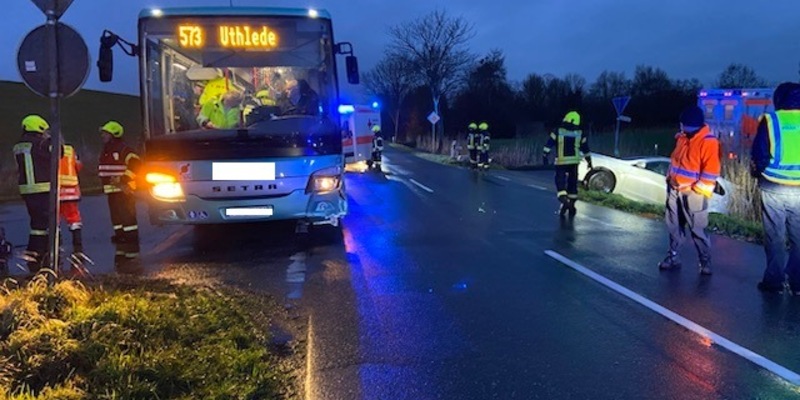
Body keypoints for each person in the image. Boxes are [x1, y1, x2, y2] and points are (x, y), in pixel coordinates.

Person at [658, 106, 720, 275]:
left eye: (684, 124)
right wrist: (671, 181)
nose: (681, 127)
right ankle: (673, 256)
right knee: (674, 227)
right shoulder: (682, 138)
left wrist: (697, 190)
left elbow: (711, 171)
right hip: (675, 189)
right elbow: (676, 162)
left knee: (697, 229)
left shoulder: (708, 141)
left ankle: (705, 261)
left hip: (694, 194)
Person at [751, 82, 800, 294]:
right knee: (798, 237)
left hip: (774, 187)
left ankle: (775, 282)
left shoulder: (772, 121)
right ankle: (798, 283)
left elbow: (759, 154)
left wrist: (757, 172)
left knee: (775, 237)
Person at [13, 115, 53, 272]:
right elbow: (59, 152)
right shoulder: (41, 143)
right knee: (44, 222)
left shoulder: (18, 146)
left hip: (26, 189)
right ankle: (41, 252)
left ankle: (36, 250)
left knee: (36, 222)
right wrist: (51, 138)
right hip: (42, 188)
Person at [98, 121, 141, 265]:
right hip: (111, 190)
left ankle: (131, 238)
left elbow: (136, 164)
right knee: (116, 215)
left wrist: (123, 178)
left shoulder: (124, 149)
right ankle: (120, 235)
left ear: (113, 134)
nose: (102, 136)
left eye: (105, 133)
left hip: (124, 189)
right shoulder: (106, 149)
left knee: (127, 214)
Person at [542, 111, 592, 217]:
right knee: (572, 182)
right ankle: (571, 204)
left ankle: (563, 198)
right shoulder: (580, 133)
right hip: (574, 162)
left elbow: (548, 144)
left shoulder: (558, 131)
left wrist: (545, 156)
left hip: (562, 161)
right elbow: (585, 149)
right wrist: (589, 161)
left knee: (560, 180)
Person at [58, 140, 91, 268]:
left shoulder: (49, 149)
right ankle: (77, 244)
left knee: (55, 220)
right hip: (72, 190)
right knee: (74, 219)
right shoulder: (70, 150)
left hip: (57, 192)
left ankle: (57, 245)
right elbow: (78, 166)